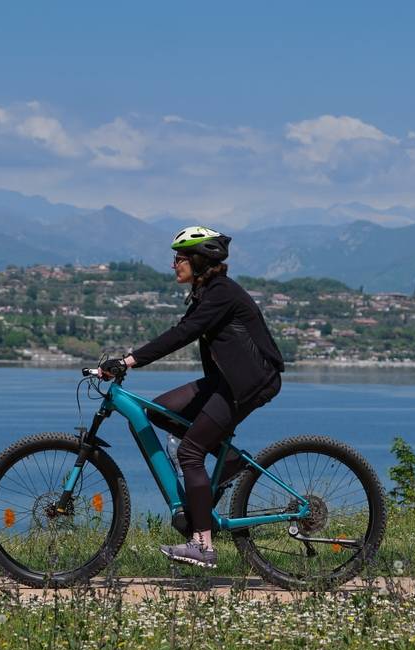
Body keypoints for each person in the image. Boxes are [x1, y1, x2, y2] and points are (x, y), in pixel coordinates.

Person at [99, 226, 284, 568]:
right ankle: (229, 462)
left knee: (190, 452)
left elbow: (183, 334)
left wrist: (129, 360)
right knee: (159, 411)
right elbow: (180, 332)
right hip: (225, 381)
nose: (174, 265)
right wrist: (129, 360)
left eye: (180, 258)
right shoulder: (206, 292)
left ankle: (203, 545)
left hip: (248, 384)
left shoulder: (221, 293)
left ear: (199, 260)